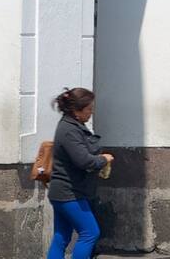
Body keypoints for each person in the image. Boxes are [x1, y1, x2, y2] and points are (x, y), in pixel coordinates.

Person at [49, 87, 112, 259]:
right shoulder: (69, 130)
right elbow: (83, 161)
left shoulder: (71, 126)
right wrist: (104, 159)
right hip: (70, 193)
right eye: (89, 109)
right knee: (90, 233)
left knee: (61, 237)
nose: (91, 113)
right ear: (76, 111)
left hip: (63, 192)